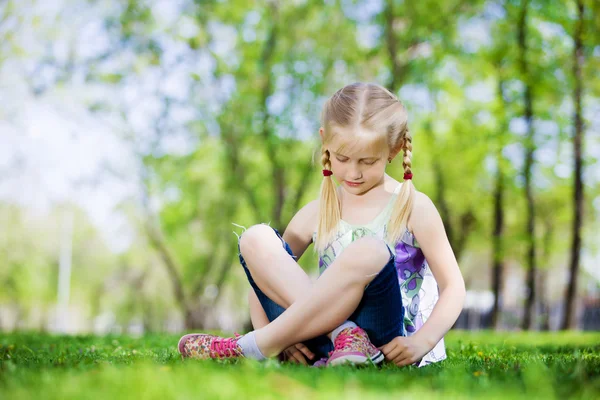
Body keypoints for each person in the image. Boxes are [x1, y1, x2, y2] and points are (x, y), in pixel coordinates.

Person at [178, 82, 465, 367]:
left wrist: (422, 342)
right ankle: (330, 336)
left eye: (367, 161)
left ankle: (252, 346)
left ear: (394, 149)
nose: (353, 172)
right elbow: (265, 280)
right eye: (342, 158)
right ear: (325, 141)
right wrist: (283, 338)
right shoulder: (315, 212)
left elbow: (453, 286)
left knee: (369, 251)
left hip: (388, 340)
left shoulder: (412, 205)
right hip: (327, 338)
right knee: (255, 238)